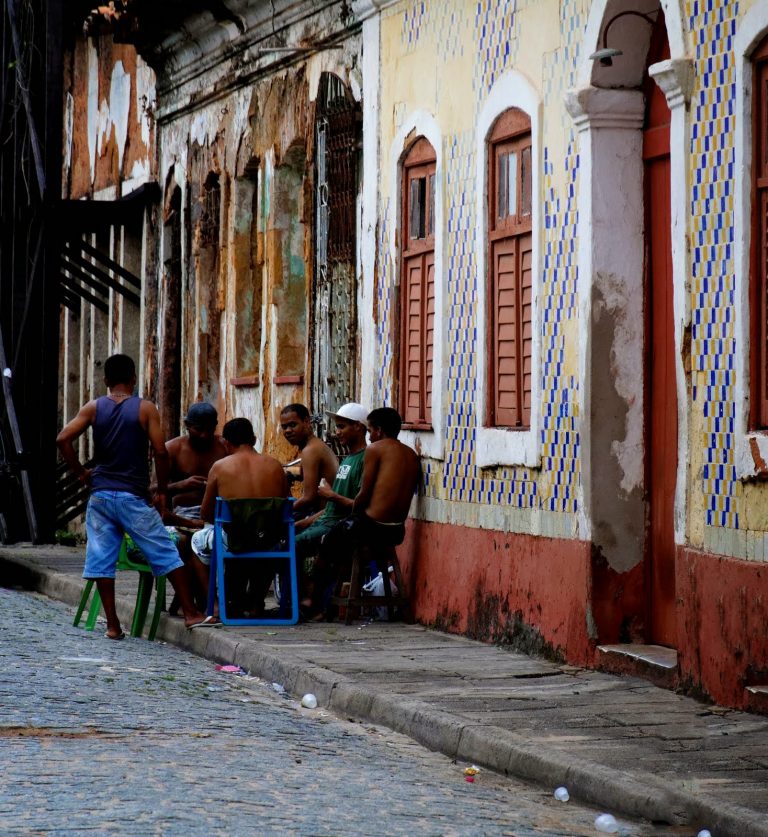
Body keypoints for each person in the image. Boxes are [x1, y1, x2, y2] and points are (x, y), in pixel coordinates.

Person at [55, 353, 207, 638]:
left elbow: (63, 438)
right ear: (134, 379)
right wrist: (163, 492)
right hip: (132, 496)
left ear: (106, 380)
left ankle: (113, 625)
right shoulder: (145, 408)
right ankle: (191, 613)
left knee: (101, 559)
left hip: (100, 496)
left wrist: (82, 473)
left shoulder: (93, 407)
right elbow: (160, 452)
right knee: (165, 551)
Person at [190, 417, 288, 618]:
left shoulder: (220, 467)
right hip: (268, 541)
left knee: (196, 541)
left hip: (235, 540)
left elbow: (205, 514)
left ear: (226, 442)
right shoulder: (276, 466)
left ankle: (214, 605)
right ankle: (256, 602)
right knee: (269, 542)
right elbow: (285, 507)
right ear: (254, 439)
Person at [294, 402, 369, 616]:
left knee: (292, 546)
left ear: (358, 427)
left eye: (342, 427)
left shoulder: (364, 459)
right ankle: (300, 600)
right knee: (287, 537)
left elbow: (358, 504)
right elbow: (329, 507)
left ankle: (311, 601)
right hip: (327, 520)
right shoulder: (347, 459)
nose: (337, 432)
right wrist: (304, 522)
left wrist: (331, 495)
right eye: (337, 427)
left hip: (340, 525)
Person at [162, 402, 228, 614]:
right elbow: (153, 490)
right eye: (198, 429)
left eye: (209, 430)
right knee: (184, 542)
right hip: (182, 515)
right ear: (187, 425)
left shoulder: (224, 446)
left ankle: (204, 600)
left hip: (218, 513)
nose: (204, 435)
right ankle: (198, 599)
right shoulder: (173, 448)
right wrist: (181, 485)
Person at [352, 407, 421, 545]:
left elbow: (364, 494)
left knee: (330, 540)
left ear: (379, 430)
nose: (369, 438)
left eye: (370, 431)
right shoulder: (412, 454)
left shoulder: (375, 449)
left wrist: (352, 515)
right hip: (397, 530)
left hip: (373, 527)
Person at [279, 403, 338, 521]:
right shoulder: (314, 445)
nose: (288, 431)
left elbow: (308, 498)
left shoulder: (310, 450)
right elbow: (303, 472)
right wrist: (283, 471)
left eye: (293, 425)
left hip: (324, 517)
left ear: (306, 421)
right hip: (321, 513)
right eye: (284, 427)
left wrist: (282, 510)